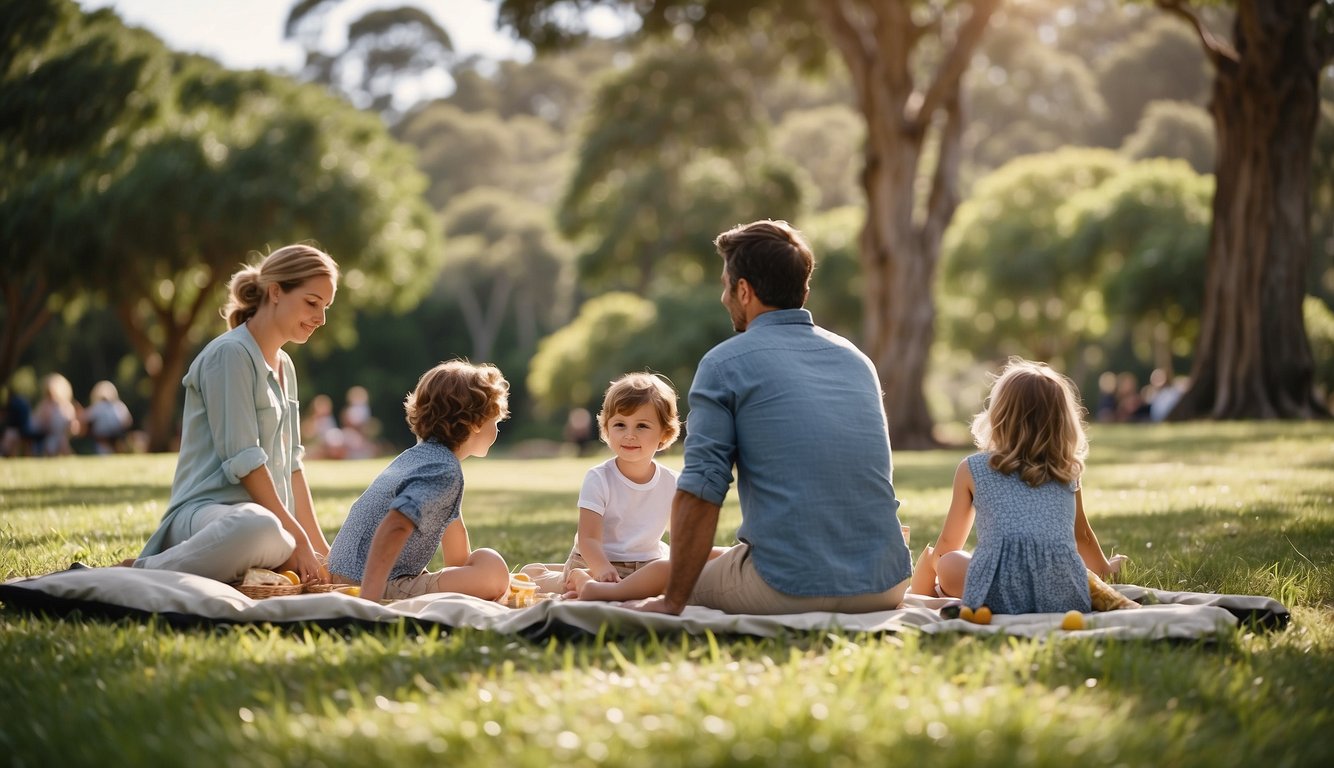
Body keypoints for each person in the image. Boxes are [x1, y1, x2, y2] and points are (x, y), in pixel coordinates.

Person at [619, 219, 912, 616]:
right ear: (803, 289)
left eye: (726, 286)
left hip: (787, 588)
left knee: (667, 575)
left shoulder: (724, 364)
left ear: (744, 290)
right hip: (885, 585)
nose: (723, 297)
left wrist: (673, 601)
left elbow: (701, 490)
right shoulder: (857, 360)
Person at [125, 244, 338, 585]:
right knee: (258, 528)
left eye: (326, 307)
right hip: (209, 519)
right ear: (275, 292)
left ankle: (260, 564)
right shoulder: (230, 355)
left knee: (273, 532)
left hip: (273, 525)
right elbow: (245, 460)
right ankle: (139, 572)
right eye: (313, 302)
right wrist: (297, 538)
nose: (321, 318)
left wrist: (320, 550)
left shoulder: (286, 366)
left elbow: (293, 467)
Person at [908, 358, 1127, 614]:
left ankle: (924, 595)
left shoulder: (972, 468)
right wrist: (1105, 570)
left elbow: (948, 543)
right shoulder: (1067, 469)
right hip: (1060, 594)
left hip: (998, 593)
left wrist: (933, 570)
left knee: (948, 562)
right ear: (1062, 422)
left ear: (998, 416)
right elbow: (1083, 537)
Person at [325, 361, 511, 603]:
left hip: (347, 573)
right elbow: (396, 525)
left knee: (484, 564)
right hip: (371, 583)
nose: (496, 430)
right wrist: (368, 600)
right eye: (495, 421)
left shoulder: (420, 458)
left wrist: (465, 577)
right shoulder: (443, 470)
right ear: (475, 423)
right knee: (493, 572)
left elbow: (456, 549)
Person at [520, 372, 685, 594]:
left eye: (642, 426)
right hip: (593, 562)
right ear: (606, 429)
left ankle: (568, 575)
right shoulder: (599, 478)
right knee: (573, 588)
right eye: (620, 425)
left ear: (665, 433)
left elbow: (680, 538)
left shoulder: (673, 482)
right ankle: (540, 575)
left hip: (646, 566)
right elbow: (588, 539)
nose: (629, 435)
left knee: (670, 580)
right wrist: (602, 570)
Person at [33, 373, 81, 456]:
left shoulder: (66, 407)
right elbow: (39, 423)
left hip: (60, 437)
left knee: (62, 442)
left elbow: (73, 426)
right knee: (54, 445)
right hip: (47, 437)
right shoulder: (44, 406)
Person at [83, 380, 133, 455]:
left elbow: (85, 418)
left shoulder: (98, 407)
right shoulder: (119, 406)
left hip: (108, 441)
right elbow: (128, 421)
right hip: (112, 441)